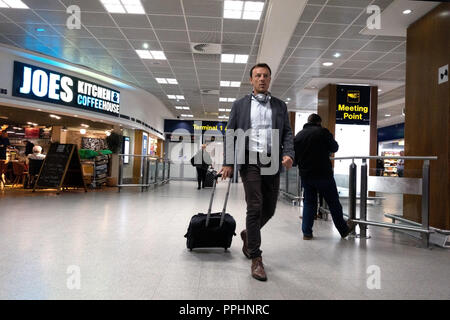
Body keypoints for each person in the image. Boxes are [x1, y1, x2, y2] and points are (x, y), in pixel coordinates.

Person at [220, 63, 294, 281]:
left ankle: (248, 235)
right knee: (255, 205)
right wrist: (228, 161)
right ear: (251, 80)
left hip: (271, 159)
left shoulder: (280, 106)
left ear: (270, 79)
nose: (262, 79)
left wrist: (289, 153)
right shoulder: (240, 105)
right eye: (258, 75)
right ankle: (256, 258)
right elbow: (231, 133)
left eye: (266, 76)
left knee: (269, 209)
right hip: (249, 159)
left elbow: (288, 133)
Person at [294, 114, 356, 240]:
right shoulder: (323, 132)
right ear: (319, 122)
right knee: (333, 203)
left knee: (309, 202)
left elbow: (294, 159)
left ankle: (307, 233)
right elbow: (335, 147)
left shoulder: (298, 136)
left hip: (306, 175)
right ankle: (343, 230)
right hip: (323, 174)